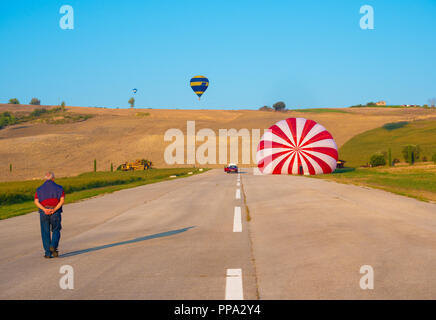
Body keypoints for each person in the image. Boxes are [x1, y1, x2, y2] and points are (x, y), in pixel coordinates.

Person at [34, 172, 65, 259]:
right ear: (53, 178)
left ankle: (48, 253)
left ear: (45, 178)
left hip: (44, 212)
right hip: (55, 212)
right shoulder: (59, 188)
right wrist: (54, 209)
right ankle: (53, 246)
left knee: (45, 232)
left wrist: (44, 209)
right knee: (56, 229)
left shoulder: (39, 189)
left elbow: (36, 201)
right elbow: (62, 200)